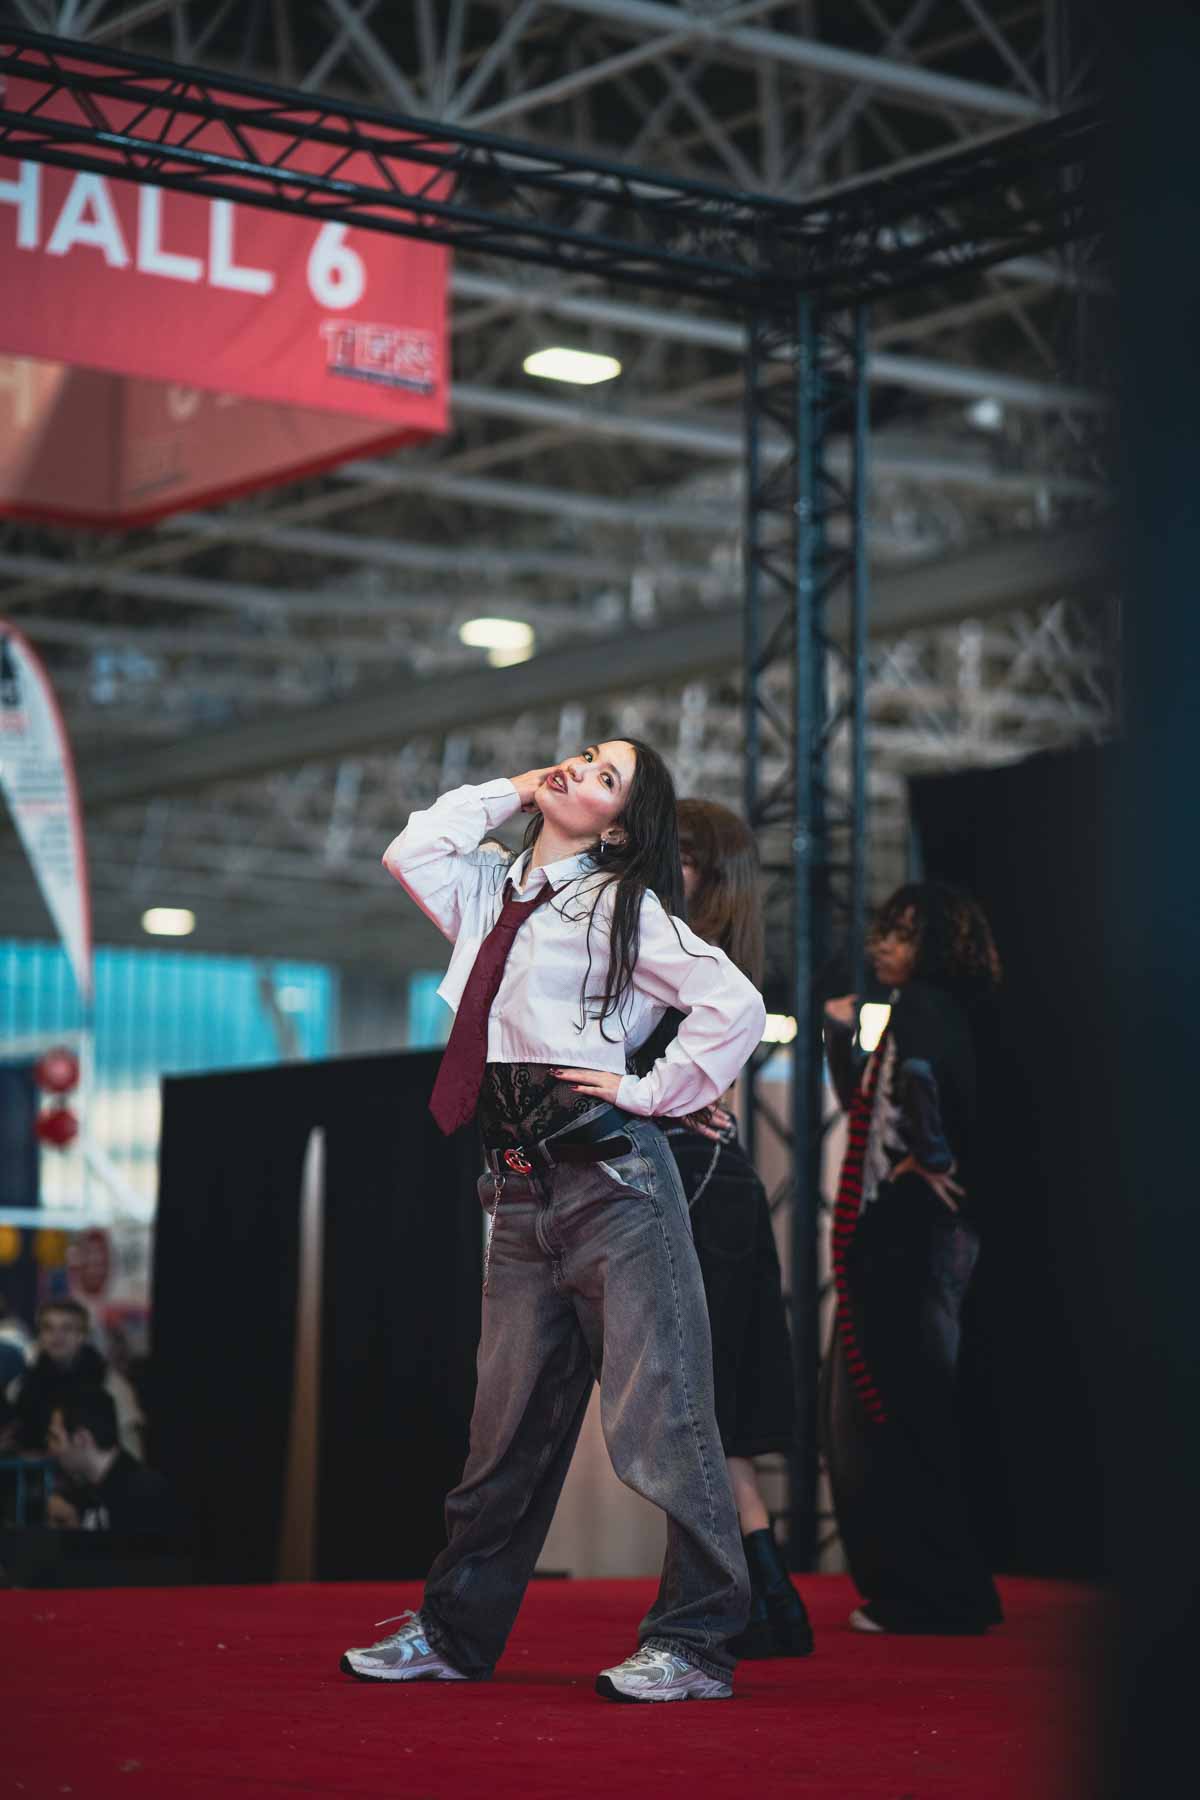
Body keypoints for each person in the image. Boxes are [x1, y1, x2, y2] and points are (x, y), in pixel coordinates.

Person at [341, 740, 766, 1702]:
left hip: (615, 1184)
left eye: (608, 778)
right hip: (517, 1188)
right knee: (503, 1436)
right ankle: (453, 1634)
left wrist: (651, 1090)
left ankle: (695, 1646)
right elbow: (411, 852)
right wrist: (511, 789)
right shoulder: (488, 888)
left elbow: (732, 1002)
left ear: (620, 826)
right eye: (582, 757)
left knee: (663, 1424)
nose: (581, 772)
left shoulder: (622, 903)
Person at [821, 881, 1003, 1635]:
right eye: (882, 930)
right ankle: (941, 1588)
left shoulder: (925, 1007)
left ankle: (932, 1594)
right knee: (905, 1408)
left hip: (913, 1239)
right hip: (914, 1235)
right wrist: (840, 1038)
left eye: (899, 933)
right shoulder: (928, 1010)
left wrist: (929, 1159)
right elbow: (882, 1101)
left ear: (932, 943)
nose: (880, 945)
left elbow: (920, 1088)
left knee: (905, 1410)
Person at [655, 799, 813, 1659]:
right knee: (708, 1413)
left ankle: (733, 1602)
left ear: (712, 875)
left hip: (694, 1184)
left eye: (676, 852)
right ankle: (767, 1601)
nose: (652, 861)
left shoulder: (684, 958)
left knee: (692, 1408)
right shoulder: (696, 953)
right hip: (708, 1180)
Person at [2, 1299, 145, 1462]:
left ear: (82, 1336)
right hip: (34, 1476)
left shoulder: (111, 1384)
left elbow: (131, 1449)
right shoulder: (21, 1385)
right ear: (40, 1335)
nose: (57, 1336)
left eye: (67, 1328)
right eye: (48, 1328)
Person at [46, 1387, 172, 1535]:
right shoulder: (83, 1494)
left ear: (82, 1439)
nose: (50, 1446)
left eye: (55, 1438)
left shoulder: (145, 1496)